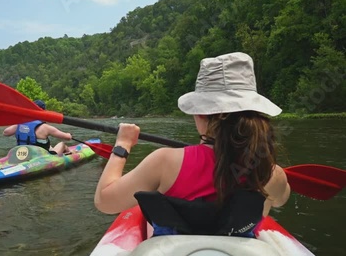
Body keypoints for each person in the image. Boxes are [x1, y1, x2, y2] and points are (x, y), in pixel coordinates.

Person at [94, 52, 290, 238]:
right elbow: (281, 199)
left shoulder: (164, 162)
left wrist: (122, 144)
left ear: (201, 113)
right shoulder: (270, 173)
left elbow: (104, 201)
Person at [3, 100, 72, 155]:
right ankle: (72, 155)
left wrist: (19, 125)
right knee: (62, 144)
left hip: (24, 156)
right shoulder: (45, 128)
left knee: (48, 145)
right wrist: (69, 134)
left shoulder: (19, 125)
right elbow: (67, 138)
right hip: (42, 158)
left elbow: (5, 132)